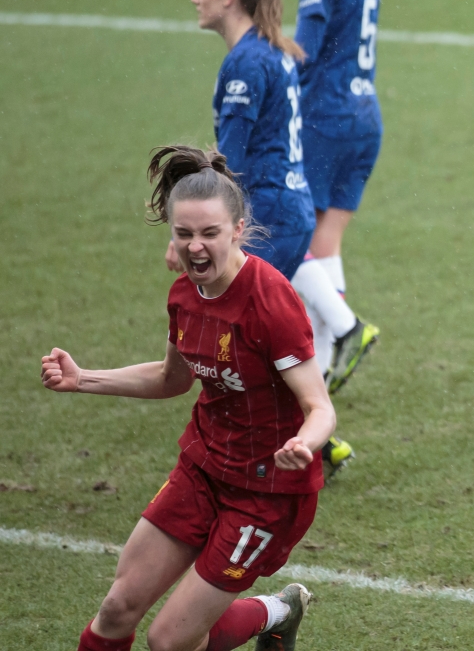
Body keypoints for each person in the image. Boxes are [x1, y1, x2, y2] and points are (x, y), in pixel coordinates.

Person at [43, 146, 335, 651]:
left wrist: (303, 444)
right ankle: (276, 613)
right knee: (116, 609)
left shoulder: (270, 301)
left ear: (239, 230)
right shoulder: (184, 294)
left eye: (209, 234)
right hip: (203, 468)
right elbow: (171, 378)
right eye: (184, 235)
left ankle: (275, 610)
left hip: (267, 494)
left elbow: (320, 408)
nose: (195, 248)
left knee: (169, 639)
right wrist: (82, 378)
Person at [188, 0, 355, 475]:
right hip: (287, 206)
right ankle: (319, 440)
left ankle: (305, 442)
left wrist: (190, 234)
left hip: (269, 214)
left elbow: (227, 162)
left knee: (247, 335)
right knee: (258, 331)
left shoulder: (247, 63)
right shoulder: (269, 50)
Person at [286, 0, 381, 392]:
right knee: (326, 243)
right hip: (365, 115)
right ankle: (321, 371)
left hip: (325, 117)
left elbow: (307, 53)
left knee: (282, 230)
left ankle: (347, 328)